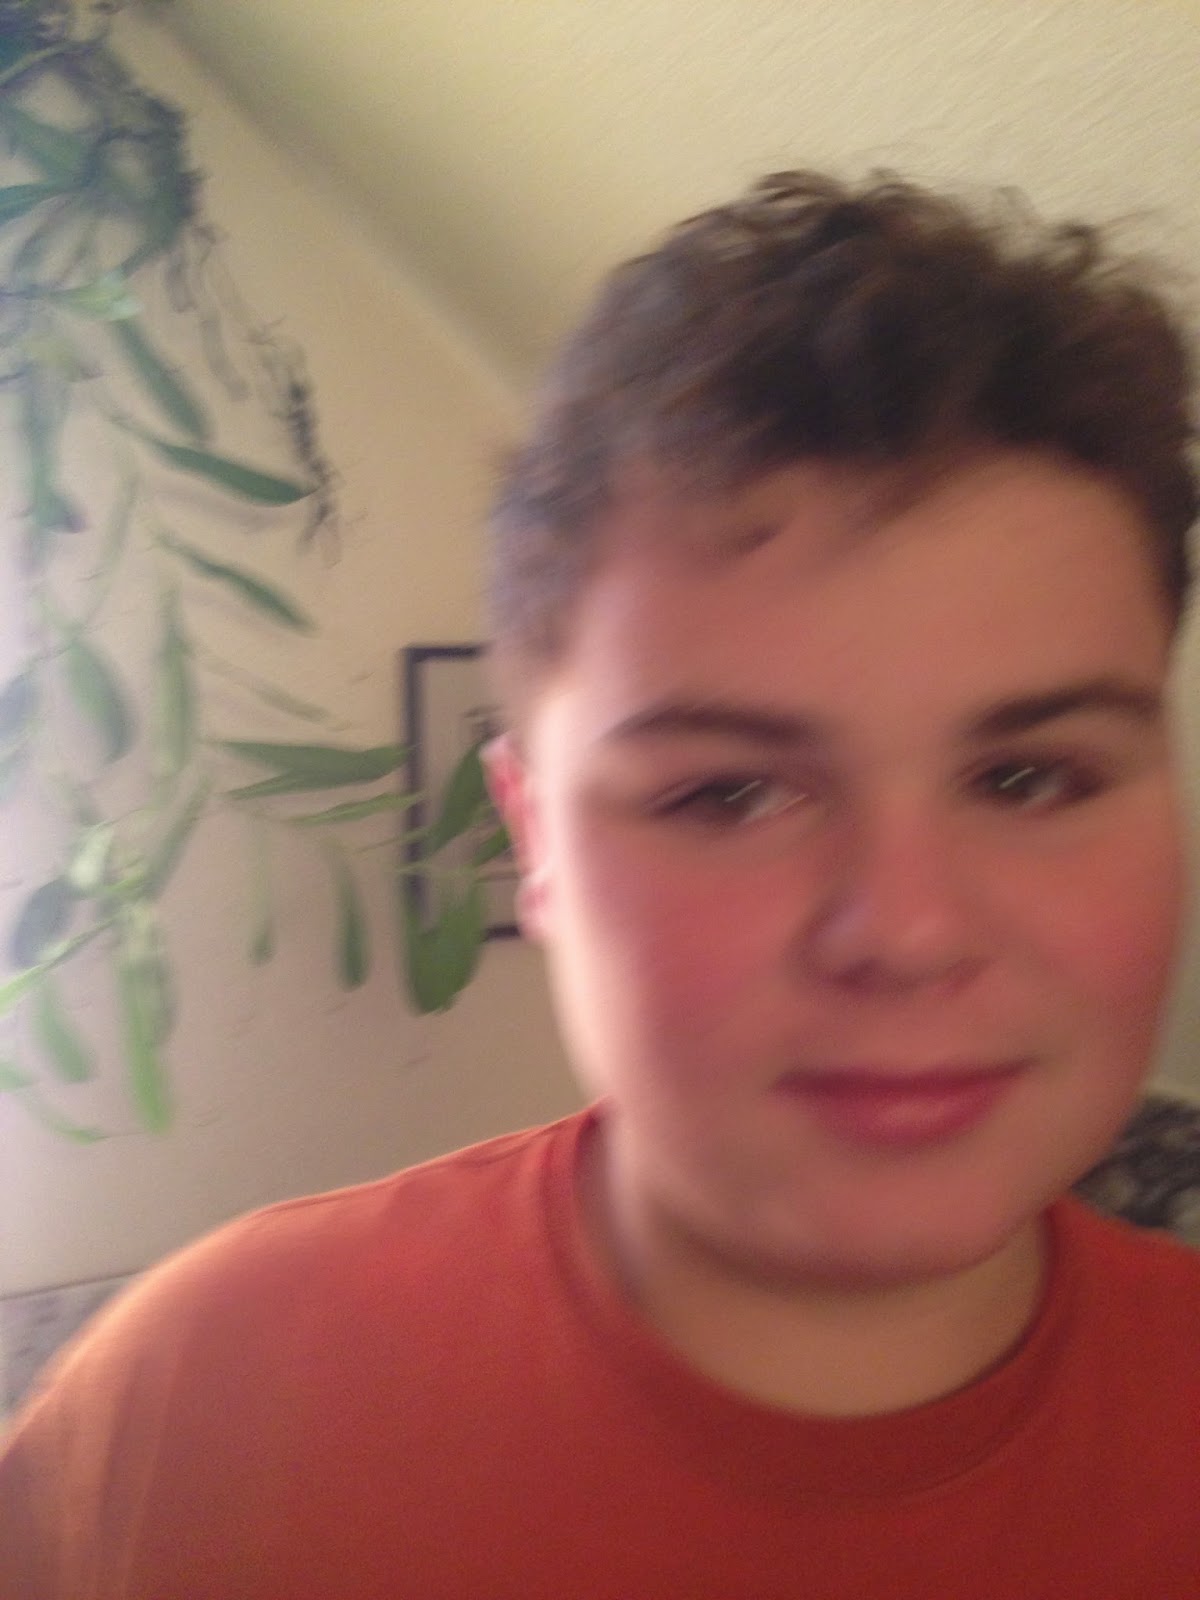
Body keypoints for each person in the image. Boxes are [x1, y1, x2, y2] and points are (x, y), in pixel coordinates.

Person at [3, 169, 1200, 1598]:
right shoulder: (199, 1411)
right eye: (728, 794)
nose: (908, 929)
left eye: (1031, 779)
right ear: (535, 842)